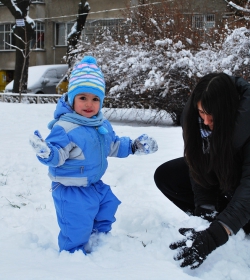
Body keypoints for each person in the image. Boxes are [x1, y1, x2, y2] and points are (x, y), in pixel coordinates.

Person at [29, 56, 158, 254]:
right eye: (83, 98)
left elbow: (113, 145)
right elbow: (58, 155)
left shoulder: (100, 124)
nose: (89, 104)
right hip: (71, 190)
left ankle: (99, 243)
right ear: (72, 99)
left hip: (94, 184)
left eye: (95, 98)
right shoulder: (66, 127)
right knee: (76, 227)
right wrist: (46, 153)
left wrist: (133, 146)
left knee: (108, 207)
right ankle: (73, 258)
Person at [154, 72, 250, 269]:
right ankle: (223, 217)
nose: (205, 120)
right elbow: (198, 163)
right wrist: (205, 211)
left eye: (211, 114)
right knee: (167, 175)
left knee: (235, 177)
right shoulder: (194, 116)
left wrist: (215, 236)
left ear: (227, 110)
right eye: (201, 112)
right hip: (230, 171)